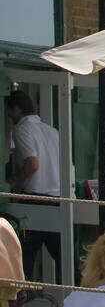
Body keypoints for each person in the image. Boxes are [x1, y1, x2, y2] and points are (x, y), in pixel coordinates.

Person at [6, 90, 62, 280]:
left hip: (36, 199)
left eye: (9, 112)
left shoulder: (22, 129)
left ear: (16, 109)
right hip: (57, 197)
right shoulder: (51, 131)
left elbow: (32, 164)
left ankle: (21, 297)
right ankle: (80, 290)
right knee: (60, 253)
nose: (9, 116)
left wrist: (14, 179)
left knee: (25, 254)